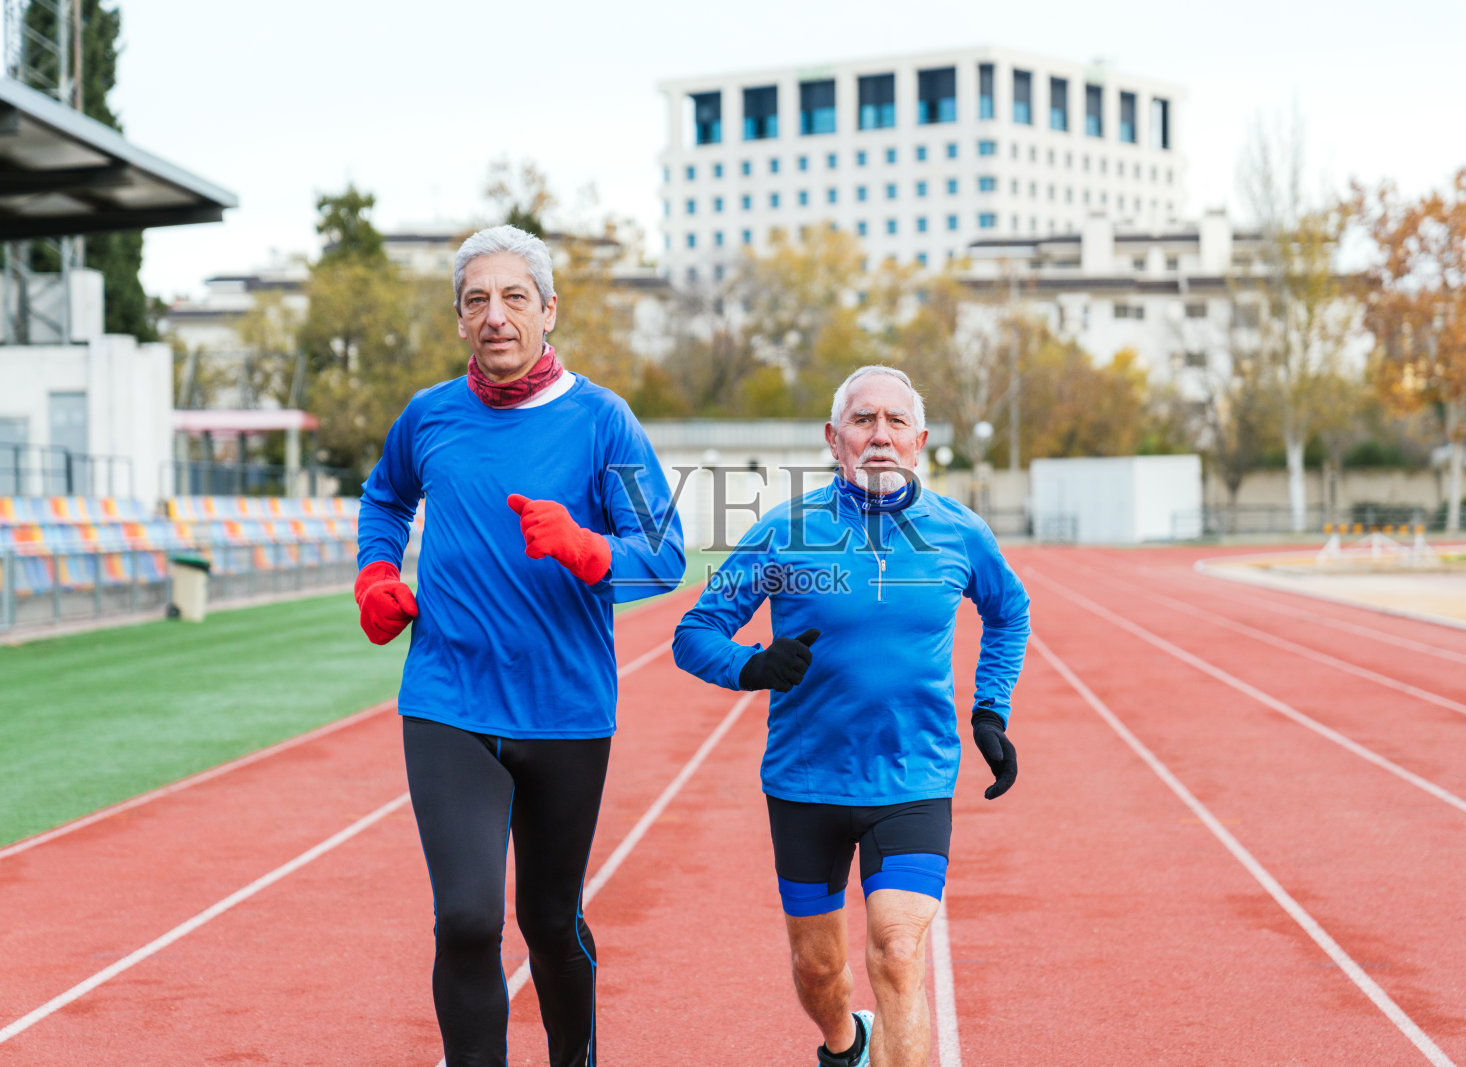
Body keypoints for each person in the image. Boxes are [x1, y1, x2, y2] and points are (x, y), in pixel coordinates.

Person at [355, 224, 684, 1067]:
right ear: (460, 318)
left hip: (565, 708)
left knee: (548, 918)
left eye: (512, 297)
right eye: (477, 300)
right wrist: (376, 573)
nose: (494, 315)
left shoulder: (604, 421)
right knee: (467, 919)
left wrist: (588, 548)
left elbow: (667, 554)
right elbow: (385, 499)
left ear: (548, 310)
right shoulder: (428, 416)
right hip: (448, 698)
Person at [672, 365, 1030, 1067]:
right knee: (817, 968)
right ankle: (845, 1044)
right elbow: (694, 633)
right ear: (834, 438)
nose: (880, 435)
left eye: (897, 421)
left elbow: (1008, 612)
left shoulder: (960, 532)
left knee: (898, 953)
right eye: (863, 420)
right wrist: (752, 666)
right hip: (807, 781)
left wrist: (991, 708)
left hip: (913, 776)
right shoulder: (785, 532)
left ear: (919, 440)